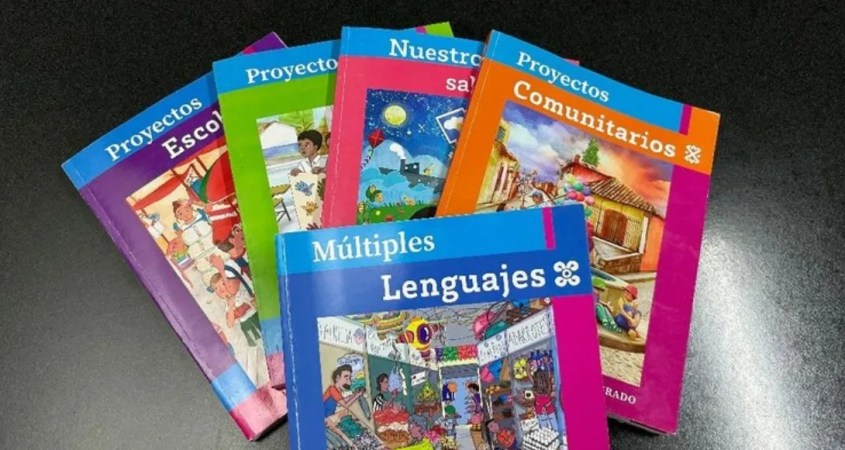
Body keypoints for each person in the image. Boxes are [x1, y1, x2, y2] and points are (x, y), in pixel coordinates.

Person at [208, 254, 261, 347]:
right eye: (216, 288)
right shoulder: (228, 306)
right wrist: (230, 306)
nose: (220, 290)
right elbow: (230, 324)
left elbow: (254, 302)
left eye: (223, 284)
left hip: (255, 317)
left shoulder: (241, 294)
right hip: (245, 324)